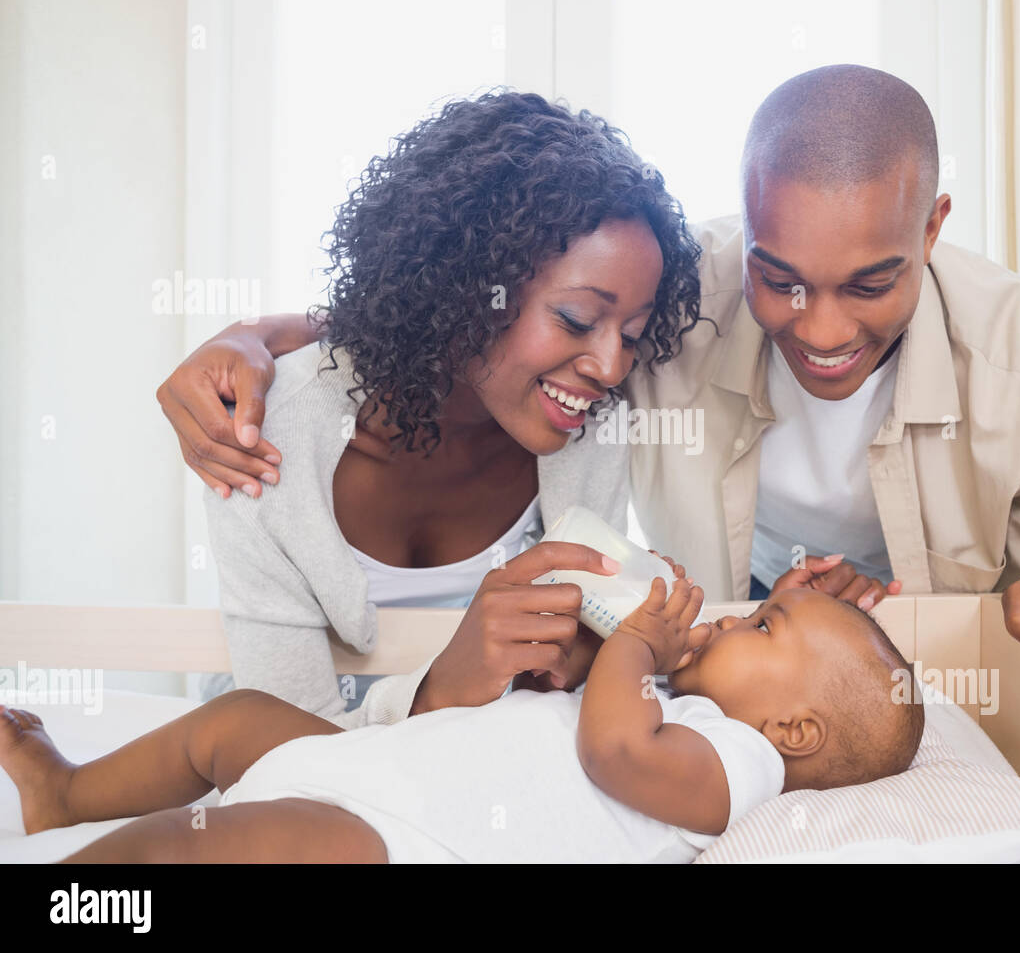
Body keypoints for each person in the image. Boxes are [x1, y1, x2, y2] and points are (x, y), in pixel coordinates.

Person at [158, 66, 1020, 698]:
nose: (821, 330)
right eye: (782, 280)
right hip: (725, 618)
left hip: (859, 649)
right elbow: (456, 307)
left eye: (871, 283)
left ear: (934, 227)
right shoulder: (680, 299)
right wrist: (256, 336)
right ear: (745, 227)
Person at [167, 90, 705, 727]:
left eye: (633, 334)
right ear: (471, 287)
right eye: (577, 319)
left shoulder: (589, 425)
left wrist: (595, 649)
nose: (612, 367)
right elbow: (277, 763)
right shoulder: (263, 438)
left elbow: (568, 692)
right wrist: (436, 692)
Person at [0, 583, 923, 863]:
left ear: (796, 732)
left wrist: (637, 646)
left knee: (191, 850)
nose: (732, 616)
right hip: (374, 765)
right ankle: (66, 791)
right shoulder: (682, 706)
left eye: (764, 627)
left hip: (400, 836)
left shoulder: (738, 759)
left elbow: (611, 751)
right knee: (232, 718)